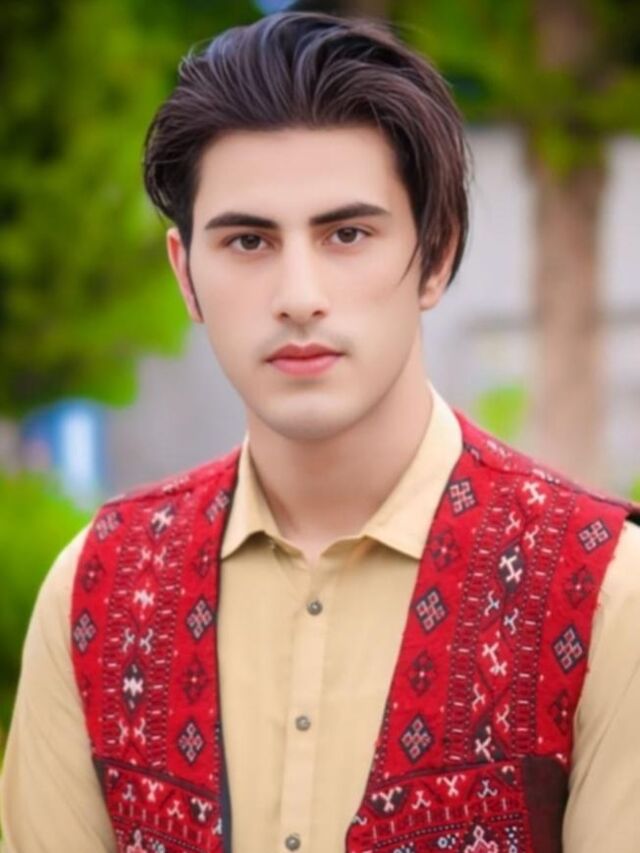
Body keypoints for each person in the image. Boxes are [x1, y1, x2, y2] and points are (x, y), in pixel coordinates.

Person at [1, 11, 639, 853]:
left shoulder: (604, 590)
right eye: (248, 240)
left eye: (347, 234)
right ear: (186, 274)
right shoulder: (99, 589)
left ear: (437, 254)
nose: (298, 294)